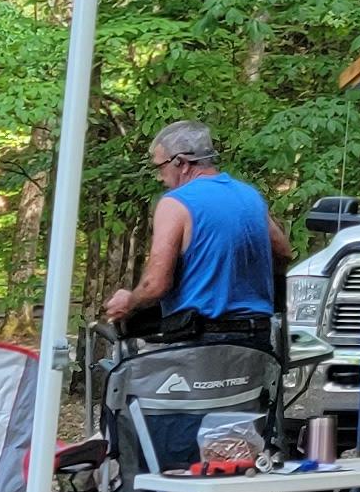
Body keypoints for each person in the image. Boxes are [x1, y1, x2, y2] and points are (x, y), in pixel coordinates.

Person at [100, 122, 281, 351]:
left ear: (181, 163)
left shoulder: (175, 204)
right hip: (257, 342)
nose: (159, 177)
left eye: (160, 167)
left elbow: (155, 285)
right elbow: (282, 252)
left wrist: (129, 301)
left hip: (200, 343)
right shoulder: (250, 197)